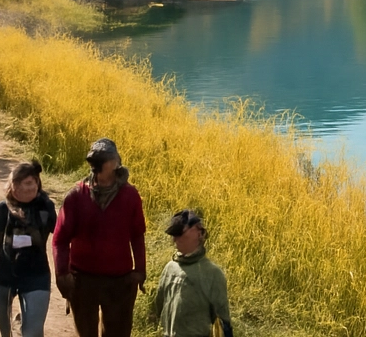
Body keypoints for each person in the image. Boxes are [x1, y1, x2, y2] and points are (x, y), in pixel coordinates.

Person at [53, 138, 147, 337]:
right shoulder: (76, 196)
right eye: (95, 161)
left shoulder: (130, 195)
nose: (96, 166)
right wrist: (62, 274)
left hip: (119, 281)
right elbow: (60, 239)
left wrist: (140, 270)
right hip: (83, 280)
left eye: (105, 159)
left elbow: (137, 235)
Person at [0, 160, 57, 337]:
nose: (28, 188)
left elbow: (61, 234)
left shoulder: (45, 207)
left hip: (37, 275)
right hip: (5, 275)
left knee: (33, 333)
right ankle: (16, 325)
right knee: (5, 332)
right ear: (12, 186)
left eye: (31, 183)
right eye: (22, 183)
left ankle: (22, 325)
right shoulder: (3, 209)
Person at [154, 209, 233, 337]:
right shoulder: (170, 268)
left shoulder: (212, 273)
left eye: (179, 234)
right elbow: (158, 306)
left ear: (198, 233)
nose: (174, 240)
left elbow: (223, 321)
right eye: (173, 235)